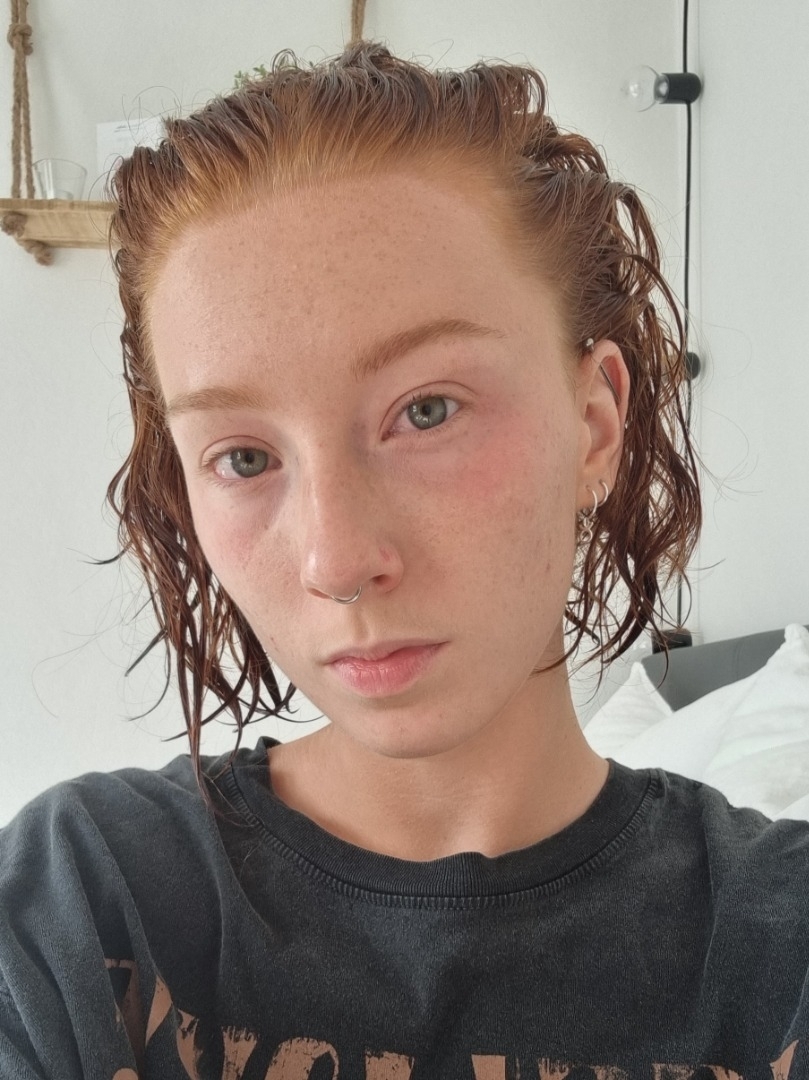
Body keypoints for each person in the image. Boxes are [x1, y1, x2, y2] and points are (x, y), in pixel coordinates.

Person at [0, 39, 807, 1079]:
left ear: (594, 421)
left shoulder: (777, 950)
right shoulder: (86, 903)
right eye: (243, 457)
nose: (336, 560)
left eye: (426, 411)